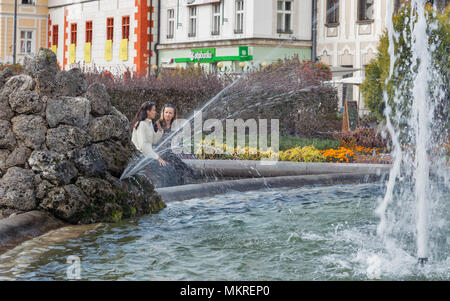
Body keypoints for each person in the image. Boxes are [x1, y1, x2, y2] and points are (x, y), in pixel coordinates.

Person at [130, 101, 167, 166]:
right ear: (148, 111)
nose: (155, 112)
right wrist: (157, 158)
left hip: (148, 156)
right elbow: (143, 146)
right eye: (154, 110)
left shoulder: (149, 123)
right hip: (140, 158)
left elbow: (153, 141)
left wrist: (160, 131)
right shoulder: (141, 124)